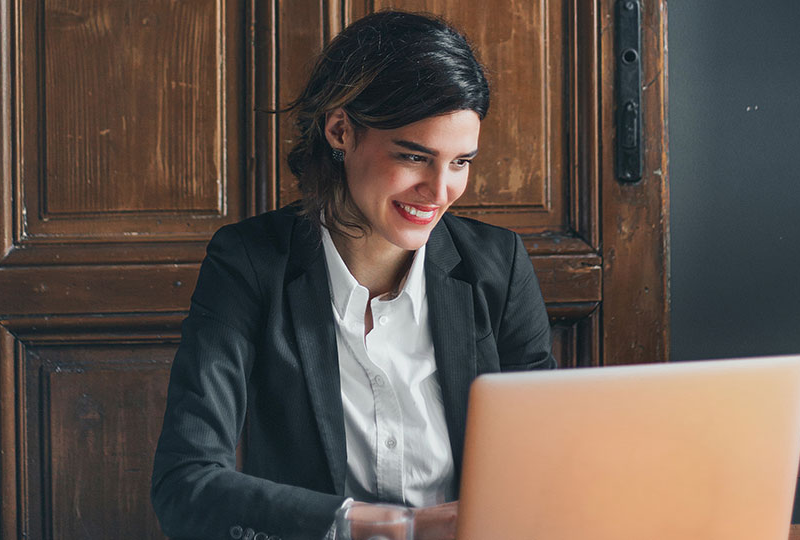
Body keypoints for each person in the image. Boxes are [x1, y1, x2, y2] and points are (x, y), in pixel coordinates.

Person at [151, 10, 554, 540]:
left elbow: (545, 467)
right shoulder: (249, 262)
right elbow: (186, 484)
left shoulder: (498, 263)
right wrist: (386, 526)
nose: (439, 193)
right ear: (340, 130)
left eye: (460, 162)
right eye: (415, 157)